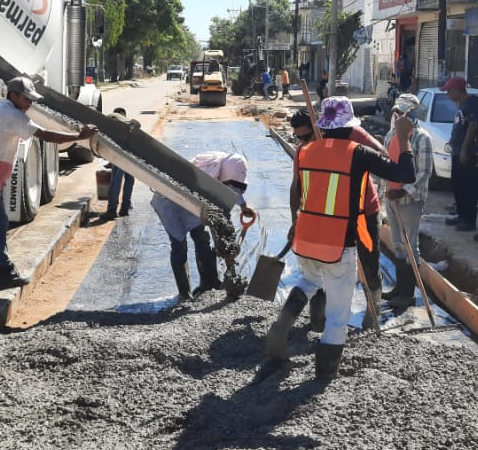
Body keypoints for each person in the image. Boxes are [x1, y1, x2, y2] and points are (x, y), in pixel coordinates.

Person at [265, 97, 415, 381]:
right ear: (350, 127)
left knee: (309, 281)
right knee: (338, 314)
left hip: (307, 236)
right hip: (337, 242)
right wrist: (404, 139)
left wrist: (295, 222)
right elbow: (404, 173)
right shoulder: (356, 153)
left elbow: (297, 189)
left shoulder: (305, 151)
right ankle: (325, 374)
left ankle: (280, 329)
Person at [0, 76, 97, 295]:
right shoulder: (11, 114)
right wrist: (79, 136)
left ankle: (6, 272)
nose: (30, 103)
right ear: (13, 96)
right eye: (26, 98)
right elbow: (45, 135)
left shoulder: (1, 107)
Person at [289, 108, 389, 330]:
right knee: (322, 262)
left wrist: (376, 151)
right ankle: (318, 321)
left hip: (363, 212)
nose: (302, 142)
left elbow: (383, 154)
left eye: (306, 137)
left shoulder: (348, 137)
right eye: (298, 138)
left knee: (369, 262)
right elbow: (296, 188)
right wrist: (295, 220)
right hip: (329, 216)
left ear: (319, 128)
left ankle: (372, 320)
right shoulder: (303, 152)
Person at [152, 152, 249, 303]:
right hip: (171, 203)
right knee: (179, 246)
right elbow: (217, 214)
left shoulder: (228, 165)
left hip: (195, 204)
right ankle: (184, 295)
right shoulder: (207, 171)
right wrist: (225, 247)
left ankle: (208, 283)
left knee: (202, 239)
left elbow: (231, 189)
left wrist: (244, 206)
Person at [382, 93, 433, 307]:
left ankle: (408, 295)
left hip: (410, 201)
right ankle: (399, 289)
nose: (397, 115)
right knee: (398, 245)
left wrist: (403, 191)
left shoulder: (421, 138)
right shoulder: (390, 135)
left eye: (402, 112)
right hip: (391, 198)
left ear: (412, 114)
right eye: (396, 111)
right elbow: (385, 162)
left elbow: (424, 173)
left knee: (410, 245)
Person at [443, 76, 478, 233]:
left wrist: (465, 148)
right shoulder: (462, 105)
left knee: (468, 187)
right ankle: (461, 215)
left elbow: (473, 125)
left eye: (449, 91)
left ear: (457, 90)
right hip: (457, 151)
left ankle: (469, 220)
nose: (448, 95)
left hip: (468, 153)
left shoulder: (473, 102)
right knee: (458, 185)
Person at [101, 107, 135, 220]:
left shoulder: (110, 117)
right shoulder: (128, 121)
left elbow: (105, 141)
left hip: (121, 150)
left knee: (116, 181)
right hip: (134, 151)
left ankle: (112, 210)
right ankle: (125, 208)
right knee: (129, 179)